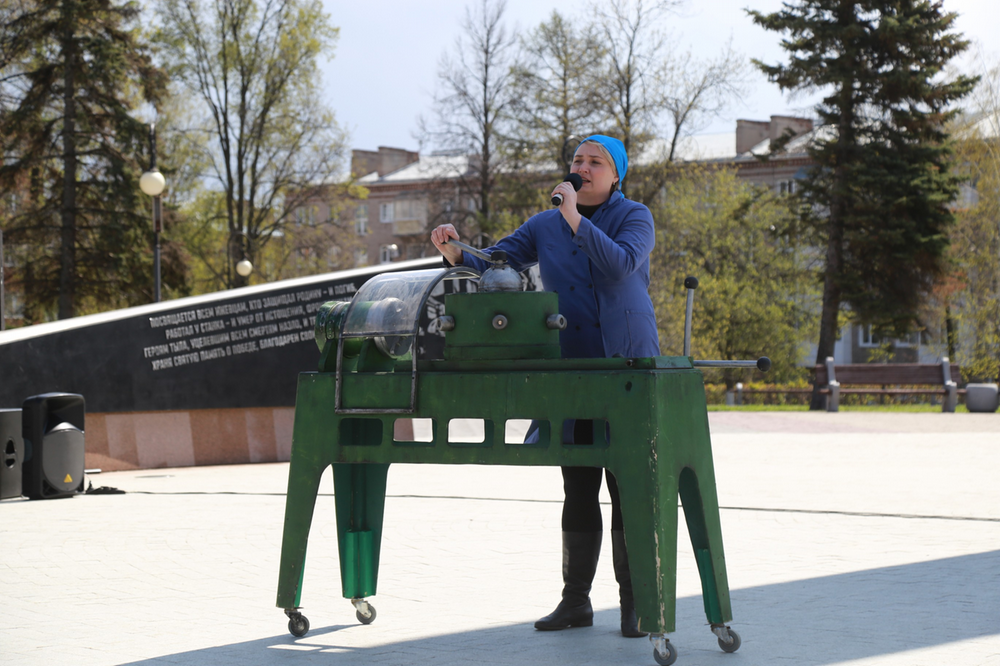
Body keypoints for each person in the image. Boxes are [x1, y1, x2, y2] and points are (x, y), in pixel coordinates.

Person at [430, 135, 659, 638]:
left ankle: (634, 602)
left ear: (616, 174)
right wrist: (453, 250)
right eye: (577, 160)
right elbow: (494, 261)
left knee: (626, 486)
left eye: (595, 162)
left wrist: (575, 217)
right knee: (577, 482)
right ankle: (575, 600)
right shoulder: (544, 224)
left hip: (624, 364)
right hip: (570, 367)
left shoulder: (635, 217)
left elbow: (620, 265)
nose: (583, 167)